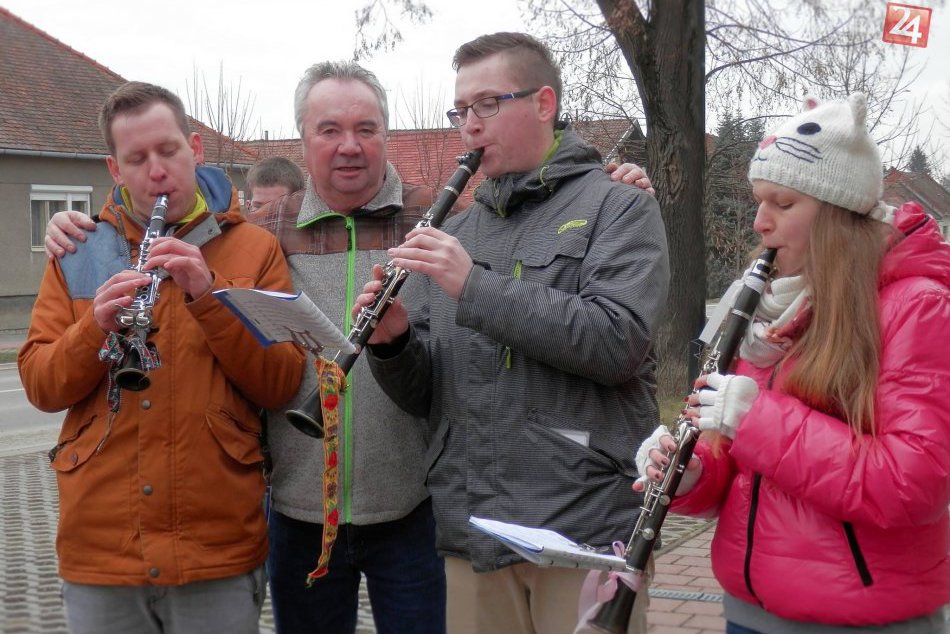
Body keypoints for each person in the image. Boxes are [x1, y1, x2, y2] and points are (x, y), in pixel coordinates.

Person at [42, 63, 656, 634]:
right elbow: (188, 212)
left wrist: (609, 182)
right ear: (302, 140)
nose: (349, 145)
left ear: (387, 135)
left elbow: (525, 212)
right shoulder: (261, 232)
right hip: (299, 510)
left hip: (417, 510)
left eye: (366, 128)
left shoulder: (447, 217)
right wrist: (76, 226)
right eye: (328, 129)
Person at [358, 32, 670, 634]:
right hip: (473, 526)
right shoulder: (457, 228)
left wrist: (472, 286)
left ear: (544, 103)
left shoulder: (620, 206)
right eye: (460, 111)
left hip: (579, 527)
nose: (469, 126)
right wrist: (392, 343)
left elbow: (617, 343)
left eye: (487, 105)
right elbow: (427, 396)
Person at [636, 93, 950, 633]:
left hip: (860, 619)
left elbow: (915, 485)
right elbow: (745, 472)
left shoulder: (916, 306)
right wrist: (693, 475)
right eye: (759, 201)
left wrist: (756, 419)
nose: (760, 222)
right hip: (750, 610)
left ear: (837, 214)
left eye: (782, 204)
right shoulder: (768, 311)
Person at [17, 81, 306, 634]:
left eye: (168, 151)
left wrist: (209, 297)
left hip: (214, 543)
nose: (156, 172)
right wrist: (93, 328)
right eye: (137, 159)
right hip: (102, 546)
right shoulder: (79, 248)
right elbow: (40, 385)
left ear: (194, 149)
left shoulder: (254, 249)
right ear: (114, 168)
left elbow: (281, 383)